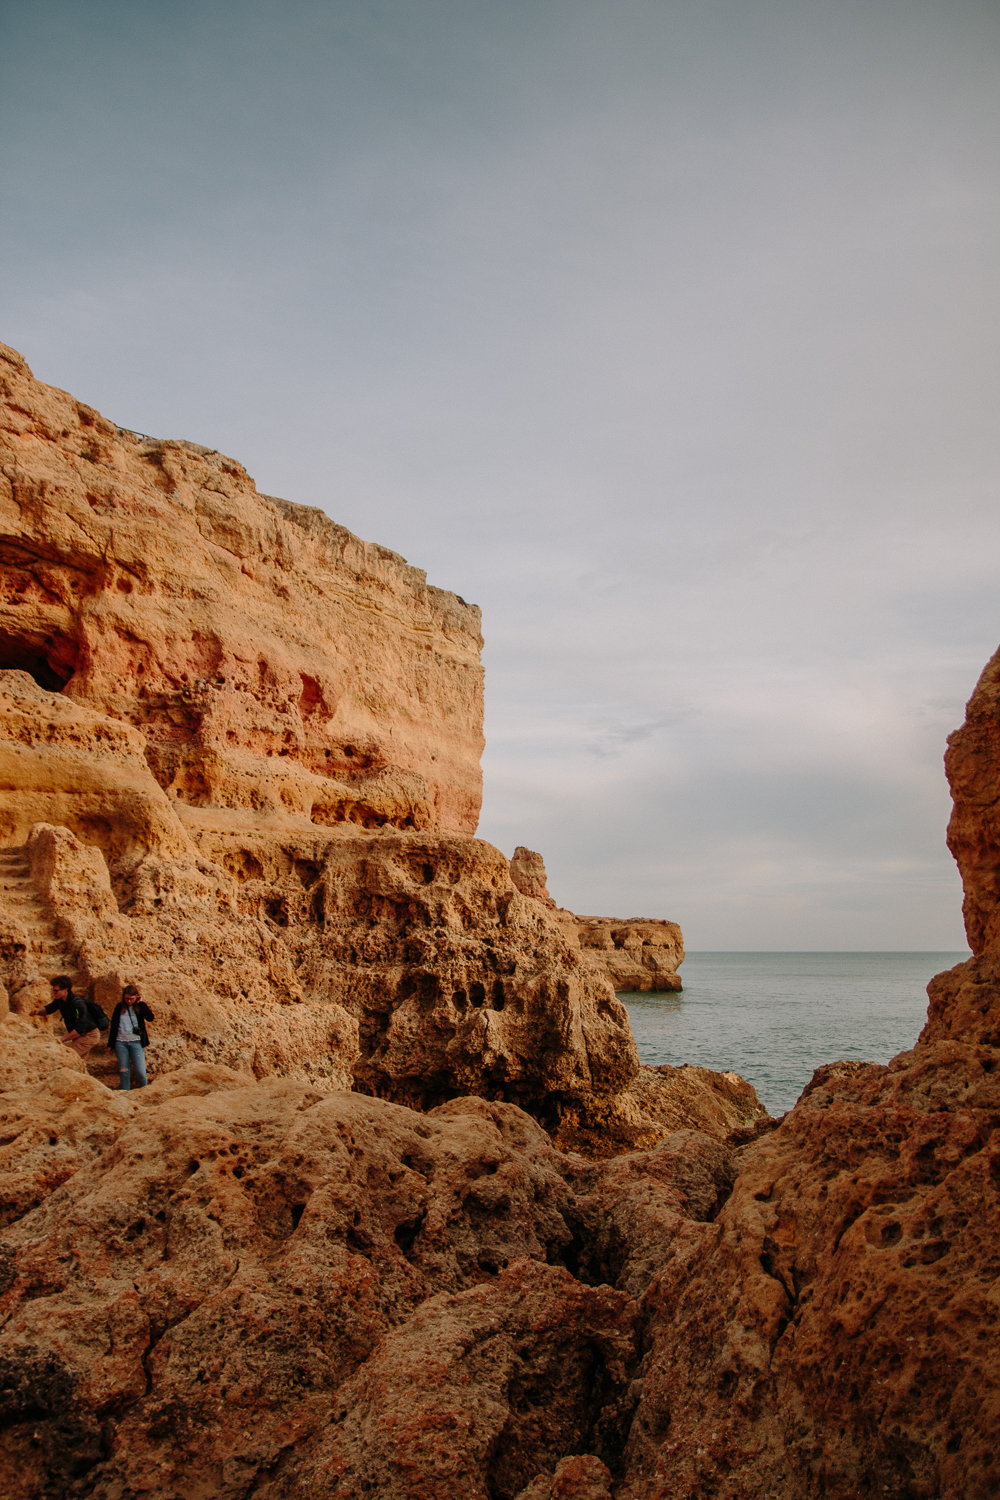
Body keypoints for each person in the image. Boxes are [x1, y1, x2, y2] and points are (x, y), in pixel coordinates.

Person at [30, 975, 101, 1060]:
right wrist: (37, 1011)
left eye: (56, 991)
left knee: (69, 1057)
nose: (54, 993)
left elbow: (80, 1029)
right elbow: (49, 1008)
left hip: (88, 1035)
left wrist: (62, 1039)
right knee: (79, 1062)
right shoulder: (60, 1000)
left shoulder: (78, 1004)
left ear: (65, 989)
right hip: (78, 1035)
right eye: (53, 990)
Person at [107, 984, 154, 1090]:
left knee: (141, 1073)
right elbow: (114, 1026)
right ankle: (126, 1096)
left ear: (136, 997)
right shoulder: (119, 1007)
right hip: (121, 1042)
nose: (129, 1001)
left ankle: (144, 1093)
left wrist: (141, 1003)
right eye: (127, 999)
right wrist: (110, 1045)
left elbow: (150, 1018)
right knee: (124, 1072)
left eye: (131, 999)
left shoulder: (139, 1006)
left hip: (136, 1041)